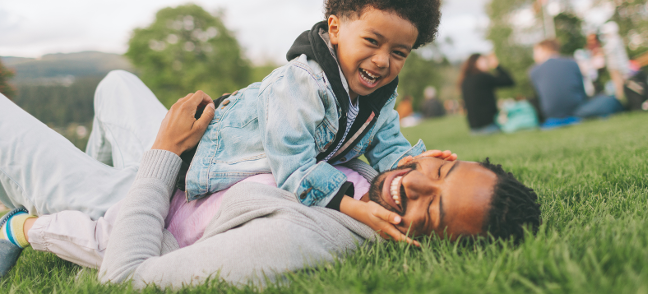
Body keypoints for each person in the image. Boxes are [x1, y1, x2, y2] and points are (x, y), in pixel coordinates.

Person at [0, 72, 542, 287]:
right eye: (440, 171)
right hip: (188, 172)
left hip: (141, 204)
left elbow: (128, 278)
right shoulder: (379, 171)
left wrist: (163, 154)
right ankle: (82, 175)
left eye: (434, 211)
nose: (416, 186)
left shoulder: (301, 240)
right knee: (115, 83)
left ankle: (58, 206)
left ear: (431, 245)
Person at [175, 0, 446, 241]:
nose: (382, 60)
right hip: (207, 161)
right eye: (371, 41)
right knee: (291, 209)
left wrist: (417, 165)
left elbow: (387, 145)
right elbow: (294, 167)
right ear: (335, 29)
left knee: (347, 176)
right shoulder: (303, 82)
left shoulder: (379, 96)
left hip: (273, 169)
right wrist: (354, 208)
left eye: (398, 52)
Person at [529, 39, 622, 128]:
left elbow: (541, 98)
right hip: (578, 111)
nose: (534, 56)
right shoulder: (572, 63)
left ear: (544, 49)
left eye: (535, 52)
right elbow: (582, 93)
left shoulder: (533, 71)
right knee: (608, 100)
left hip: (552, 116)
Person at [459, 53, 514, 135]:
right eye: (484, 61)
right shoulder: (483, 77)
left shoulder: (464, 81)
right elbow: (509, 81)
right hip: (489, 127)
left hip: (473, 131)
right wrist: (497, 65)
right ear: (476, 63)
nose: (487, 63)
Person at [601, 22, 631, 100]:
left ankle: (620, 98)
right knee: (618, 83)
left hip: (616, 66)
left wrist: (599, 51)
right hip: (616, 65)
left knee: (618, 83)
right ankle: (622, 97)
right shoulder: (616, 39)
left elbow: (608, 50)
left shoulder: (614, 40)